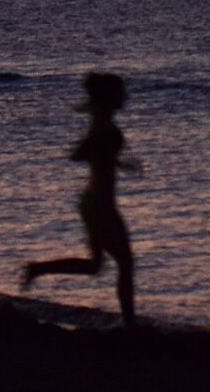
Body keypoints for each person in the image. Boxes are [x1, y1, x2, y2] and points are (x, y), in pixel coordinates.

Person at [21, 72, 137, 328]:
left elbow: (93, 155)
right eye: (121, 92)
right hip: (100, 204)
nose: (126, 97)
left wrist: (117, 162)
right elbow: (79, 154)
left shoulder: (102, 123)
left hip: (94, 202)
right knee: (125, 263)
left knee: (97, 265)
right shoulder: (103, 126)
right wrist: (104, 155)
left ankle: (37, 269)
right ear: (110, 97)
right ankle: (130, 325)